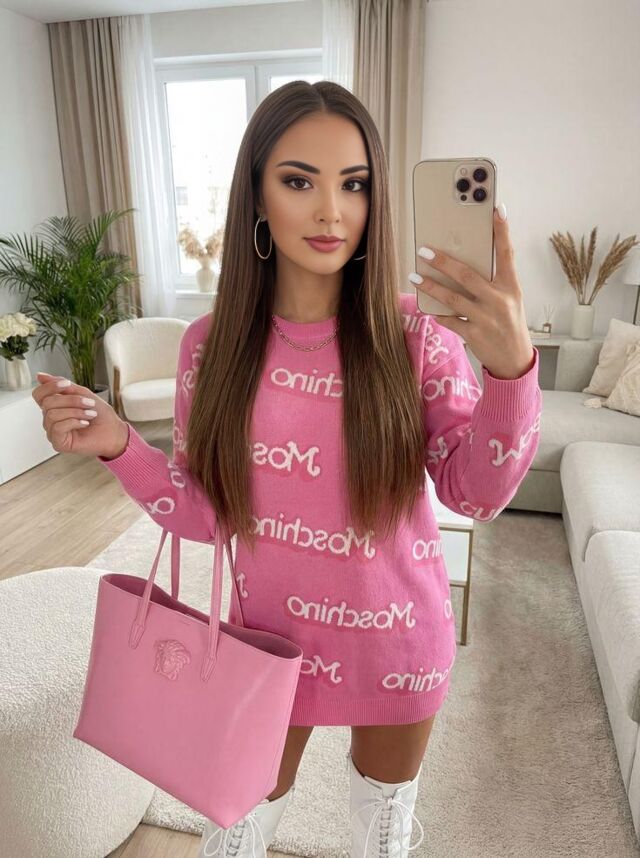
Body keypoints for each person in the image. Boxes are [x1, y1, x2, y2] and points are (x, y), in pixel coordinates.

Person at [33, 80, 541, 858]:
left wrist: (511, 369)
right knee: (237, 826)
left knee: (381, 837)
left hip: (398, 642)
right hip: (267, 643)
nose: (331, 211)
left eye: (354, 184)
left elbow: (477, 495)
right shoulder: (211, 345)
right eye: (300, 181)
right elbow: (204, 515)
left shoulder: (417, 338)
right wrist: (118, 445)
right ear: (258, 197)